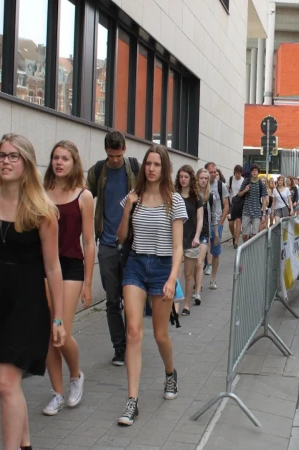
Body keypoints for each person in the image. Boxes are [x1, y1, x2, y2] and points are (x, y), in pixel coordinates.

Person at [0, 133, 66, 450]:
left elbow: (52, 267)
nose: (5, 161)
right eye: (1, 155)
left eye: (13, 156)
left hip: (27, 304)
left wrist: (59, 318)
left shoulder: (42, 209)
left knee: (7, 383)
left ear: (27, 163)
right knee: (6, 384)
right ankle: (24, 443)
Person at [116, 145, 186, 426]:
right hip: (135, 265)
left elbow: (179, 247)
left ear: (164, 167)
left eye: (157, 164)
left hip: (162, 268)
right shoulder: (133, 197)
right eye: (148, 163)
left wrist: (172, 278)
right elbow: (121, 238)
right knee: (133, 331)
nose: (151, 168)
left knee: (160, 335)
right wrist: (128, 209)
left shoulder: (175, 201)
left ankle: (170, 373)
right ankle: (132, 401)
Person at [41, 140, 95, 415]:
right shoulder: (41, 193)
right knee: (49, 334)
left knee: (61, 332)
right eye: (55, 158)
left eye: (64, 158)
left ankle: (76, 375)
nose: (59, 162)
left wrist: (88, 282)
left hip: (71, 265)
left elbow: (89, 240)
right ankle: (57, 392)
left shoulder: (83, 196)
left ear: (74, 163)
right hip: (44, 266)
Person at [86, 130, 141, 367]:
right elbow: (85, 199)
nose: (115, 160)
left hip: (132, 244)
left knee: (131, 299)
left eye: (118, 156)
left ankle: (133, 342)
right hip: (107, 244)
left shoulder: (135, 168)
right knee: (111, 300)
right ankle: (119, 348)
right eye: (111, 155)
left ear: (125, 149)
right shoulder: (98, 171)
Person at [175, 165, 203, 316]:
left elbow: (200, 219)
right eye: (181, 177)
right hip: (176, 241)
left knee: (188, 274)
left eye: (186, 177)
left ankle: (186, 304)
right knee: (175, 273)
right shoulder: (174, 195)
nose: (183, 179)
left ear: (191, 178)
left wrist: (197, 236)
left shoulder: (196, 197)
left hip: (191, 240)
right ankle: (174, 305)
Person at [203, 162, 229, 290]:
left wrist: (220, 223)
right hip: (202, 224)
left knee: (216, 253)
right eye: (210, 172)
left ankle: (213, 279)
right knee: (200, 252)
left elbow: (226, 206)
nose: (213, 174)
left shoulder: (221, 186)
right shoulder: (200, 185)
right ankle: (197, 282)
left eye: (214, 172)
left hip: (216, 224)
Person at [193, 168, 213, 305]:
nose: (204, 181)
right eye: (201, 178)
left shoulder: (210, 196)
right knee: (193, 264)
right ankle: (195, 284)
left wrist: (214, 233)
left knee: (200, 262)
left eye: (206, 178)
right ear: (197, 178)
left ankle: (198, 292)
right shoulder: (192, 195)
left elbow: (213, 215)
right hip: (191, 233)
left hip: (204, 233)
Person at [236, 164, 268, 242]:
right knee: (244, 235)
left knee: (254, 234)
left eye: (256, 170)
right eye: (253, 170)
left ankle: (251, 251)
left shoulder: (261, 184)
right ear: (250, 172)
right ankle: (246, 246)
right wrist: (245, 190)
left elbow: (264, 199)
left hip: (256, 212)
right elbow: (239, 194)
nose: (254, 172)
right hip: (246, 211)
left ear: (258, 172)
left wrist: (263, 214)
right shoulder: (246, 181)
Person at [228, 165, 245, 248]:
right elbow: (227, 188)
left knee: (238, 220)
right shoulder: (231, 179)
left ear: (241, 173)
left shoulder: (243, 181)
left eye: (239, 173)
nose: (237, 175)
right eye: (236, 173)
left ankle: (236, 241)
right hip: (232, 203)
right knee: (231, 223)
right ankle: (234, 235)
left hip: (240, 204)